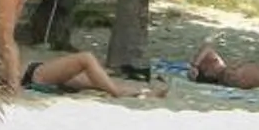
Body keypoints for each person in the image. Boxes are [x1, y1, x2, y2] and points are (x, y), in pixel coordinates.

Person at [11, 48, 154, 98]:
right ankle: (117, 92)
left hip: (35, 72)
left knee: (97, 82)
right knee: (86, 58)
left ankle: (140, 92)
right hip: (34, 74)